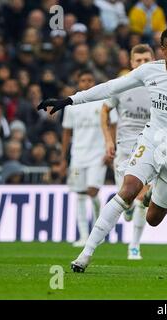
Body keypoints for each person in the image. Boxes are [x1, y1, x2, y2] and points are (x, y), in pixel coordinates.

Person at [37, 26, 167, 273]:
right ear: (162, 51)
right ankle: (85, 255)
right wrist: (69, 100)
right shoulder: (148, 71)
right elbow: (110, 88)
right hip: (152, 139)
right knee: (128, 190)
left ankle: (154, 195)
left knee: (153, 219)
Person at [100, 44, 154, 260]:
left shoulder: (160, 86)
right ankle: (129, 208)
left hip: (148, 147)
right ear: (131, 63)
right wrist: (107, 141)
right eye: (138, 61)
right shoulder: (122, 85)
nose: (142, 64)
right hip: (123, 147)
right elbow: (104, 109)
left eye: (146, 60)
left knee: (142, 196)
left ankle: (134, 246)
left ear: (153, 61)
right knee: (127, 198)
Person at [61, 69, 107, 247]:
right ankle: (83, 235)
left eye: (90, 80)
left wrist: (111, 148)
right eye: (83, 80)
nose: (87, 83)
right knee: (80, 195)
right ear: (78, 83)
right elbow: (66, 132)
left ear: (94, 82)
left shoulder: (103, 102)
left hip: (98, 155)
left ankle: (97, 230)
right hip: (78, 156)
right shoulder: (72, 104)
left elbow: (112, 126)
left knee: (93, 191)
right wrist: (63, 157)